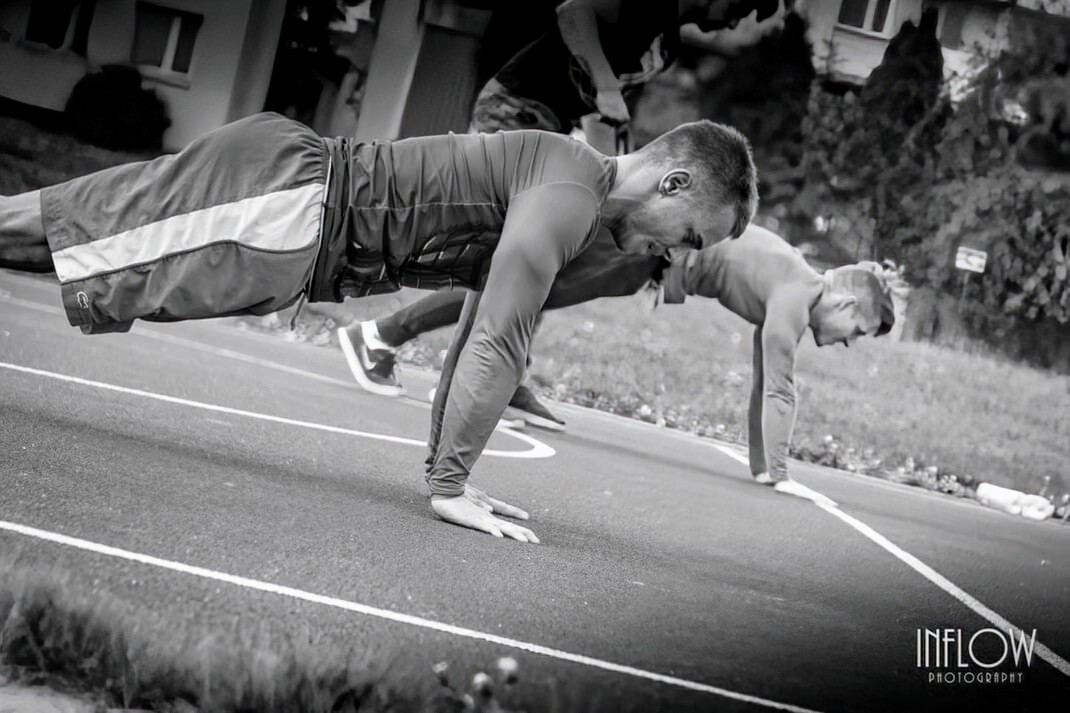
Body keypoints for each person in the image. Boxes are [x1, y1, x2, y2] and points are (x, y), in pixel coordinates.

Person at [0, 110, 759, 542]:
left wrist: (452, 476)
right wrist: (448, 485)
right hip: (285, 198)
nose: (678, 256)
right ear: (674, 181)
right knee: (74, 243)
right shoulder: (568, 195)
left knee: (71, 236)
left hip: (288, 212)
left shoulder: (571, 188)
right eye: (690, 235)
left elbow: (471, 331)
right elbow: (499, 335)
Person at [339, 0, 785, 428]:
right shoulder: (650, 7)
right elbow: (574, 11)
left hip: (562, 127)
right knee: (517, 259)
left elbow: (600, 118)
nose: (733, 20)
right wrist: (607, 86)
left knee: (554, 256)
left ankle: (495, 374)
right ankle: (391, 341)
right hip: (522, 108)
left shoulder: (666, 44)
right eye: (740, 7)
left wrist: (615, 179)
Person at [343, 224, 897, 498]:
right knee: (520, 287)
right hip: (647, 253)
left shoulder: (793, 282)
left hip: (648, 258)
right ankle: (382, 332)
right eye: (858, 332)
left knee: (530, 287)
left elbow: (765, 385)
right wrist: (777, 477)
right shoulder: (795, 298)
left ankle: (481, 372)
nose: (848, 342)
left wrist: (765, 467)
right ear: (845, 303)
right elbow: (777, 387)